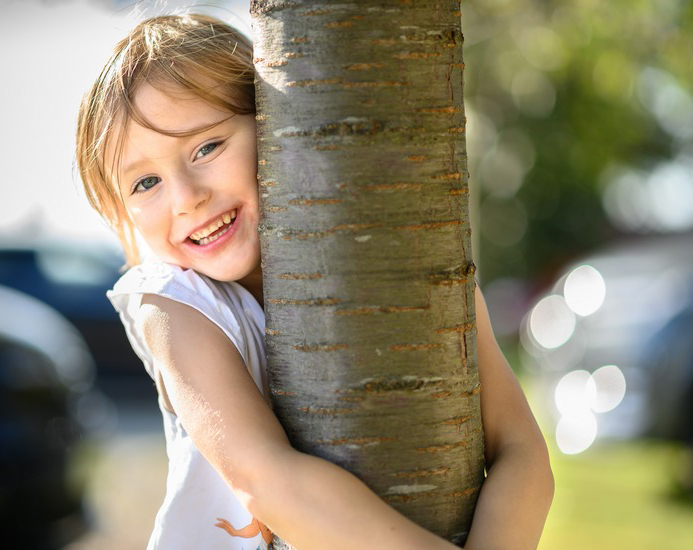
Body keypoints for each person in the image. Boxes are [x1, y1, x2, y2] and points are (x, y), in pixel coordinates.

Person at [76, 13, 553, 550]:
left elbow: (522, 451)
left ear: (275, 125)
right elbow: (265, 481)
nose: (186, 198)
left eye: (206, 148)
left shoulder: (410, 267)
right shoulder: (174, 306)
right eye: (146, 182)